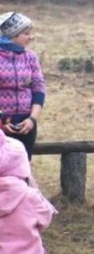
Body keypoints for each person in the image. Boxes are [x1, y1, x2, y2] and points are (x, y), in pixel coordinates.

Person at [0, 12, 46, 160]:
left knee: (23, 168)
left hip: (26, 125)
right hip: (2, 126)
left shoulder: (30, 57)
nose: (31, 37)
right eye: (26, 33)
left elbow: (38, 88)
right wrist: (2, 121)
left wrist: (32, 119)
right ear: (13, 36)